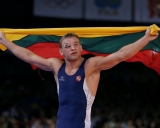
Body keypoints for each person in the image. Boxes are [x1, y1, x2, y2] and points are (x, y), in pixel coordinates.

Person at [0, 26, 159, 128]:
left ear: (81, 48)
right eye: (67, 46)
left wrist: (145, 38)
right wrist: (4, 41)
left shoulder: (90, 66)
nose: (73, 48)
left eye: (76, 44)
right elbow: (28, 56)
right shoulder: (57, 66)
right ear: (61, 52)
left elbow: (119, 56)